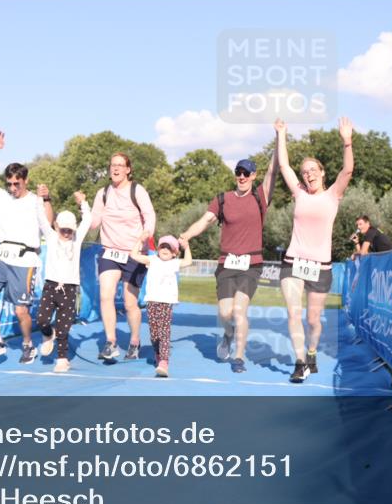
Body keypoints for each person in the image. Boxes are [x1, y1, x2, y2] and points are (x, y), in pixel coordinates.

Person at [179, 145, 278, 374]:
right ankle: (228, 334)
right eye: (238, 172)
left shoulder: (260, 197)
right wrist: (186, 234)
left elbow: (273, 171)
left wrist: (279, 137)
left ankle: (239, 357)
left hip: (251, 265)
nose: (241, 177)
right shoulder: (222, 199)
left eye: (246, 173)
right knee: (225, 313)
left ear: (254, 176)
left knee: (239, 310)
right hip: (226, 263)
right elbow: (205, 221)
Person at [275, 117, 354, 383]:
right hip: (292, 262)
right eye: (305, 171)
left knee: (312, 320)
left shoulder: (333, 195)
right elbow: (284, 165)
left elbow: (348, 171)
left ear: (322, 173)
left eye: (312, 170)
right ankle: (299, 363)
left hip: (320, 267)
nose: (308, 174)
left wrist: (347, 141)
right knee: (293, 313)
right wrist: (281, 134)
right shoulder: (299, 193)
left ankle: (311, 353)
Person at [0, 130, 53, 365]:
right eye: (9, 184)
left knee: (21, 312)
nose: (12, 188)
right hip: (1, 254)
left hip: (25, 259)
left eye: (16, 184)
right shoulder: (2, 196)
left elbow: (48, 222)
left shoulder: (34, 200)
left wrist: (46, 199)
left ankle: (28, 343)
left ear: (25, 181)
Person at [90, 152, 156, 362]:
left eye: (120, 165)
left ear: (128, 169)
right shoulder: (103, 193)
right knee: (105, 296)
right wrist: (82, 213)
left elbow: (150, 215)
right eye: (112, 165)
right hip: (109, 250)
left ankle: (135, 341)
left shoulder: (137, 191)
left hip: (134, 253)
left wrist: (147, 233)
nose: (116, 169)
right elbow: (93, 222)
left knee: (129, 304)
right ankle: (111, 342)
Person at [36, 188, 92, 373]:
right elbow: (41, 217)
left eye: (70, 230)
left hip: (69, 288)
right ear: (57, 227)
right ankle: (47, 334)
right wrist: (41, 198)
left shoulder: (77, 239)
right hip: (51, 285)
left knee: (64, 326)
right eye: (63, 229)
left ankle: (62, 358)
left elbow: (88, 220)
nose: (66, 233)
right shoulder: (51, 237)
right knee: (42, 319)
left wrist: (82, 203)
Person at [129, 235, 193, 377]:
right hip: (152, 301)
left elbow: (188, 261)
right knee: (154, 333)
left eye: (169, 248)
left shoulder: (174, 263)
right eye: (163, 246)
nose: (165, 249)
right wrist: (140, 241)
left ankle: (164, 361)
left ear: (174, 252)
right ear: (158, 249)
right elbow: (133, 255)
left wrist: (186, 246)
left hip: (166, 302)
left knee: (164, 331)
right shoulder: (152, 260)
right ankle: (158, 353)